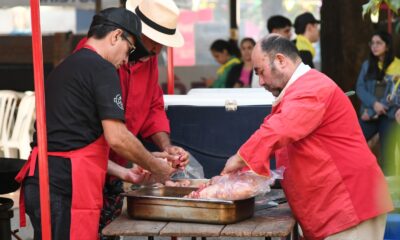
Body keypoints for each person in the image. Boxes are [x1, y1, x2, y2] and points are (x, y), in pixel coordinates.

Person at [15, 8, 181, 240]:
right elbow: (117, 137)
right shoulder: (102, 68)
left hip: (47, 180)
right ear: (115, 36)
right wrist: (155, 166)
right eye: (129, 49)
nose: (126, 59)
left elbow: (76, 142)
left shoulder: (69, 65)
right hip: (65, 186)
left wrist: (126, 173)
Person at [221, 34, 393, 240]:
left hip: (347, 203)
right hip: (332, 204)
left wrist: (239, 158)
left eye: (261, 72)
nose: (260, 81)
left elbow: (278, 129)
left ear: (280, 60)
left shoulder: (312, 88)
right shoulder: (299, 88)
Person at [74, 1, 189, 239]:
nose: (157, 50)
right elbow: (111, 134)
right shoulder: (95, 56)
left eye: (162, 45)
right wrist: (153, 164)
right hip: (85, 169)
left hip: (117, 168)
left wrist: (165, 147)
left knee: (109, 233)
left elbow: (153, 107)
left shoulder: (150, 60)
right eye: (154, 42)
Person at [356, 30, 400, 176]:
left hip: (389, 115)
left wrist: (378, 108)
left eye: (379, 43)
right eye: (372, 43)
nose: (374, 46)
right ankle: (360, 176)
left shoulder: (397, 66)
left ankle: (391, 194)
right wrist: (374, 105)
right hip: (370, 113)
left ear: (387, 46)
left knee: (387, 155)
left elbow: (396, 94)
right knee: (354, 141)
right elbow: (360, 88)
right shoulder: (367, 65)